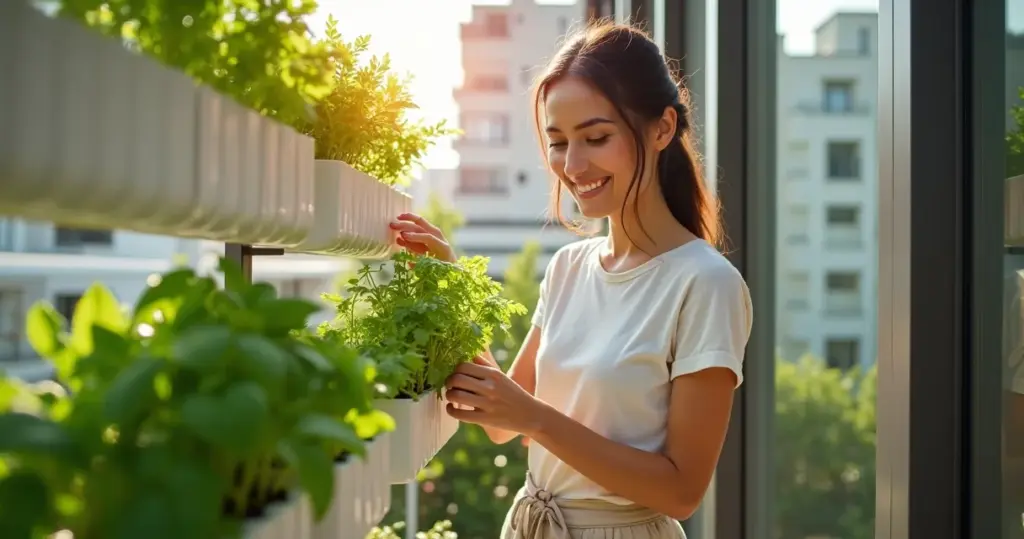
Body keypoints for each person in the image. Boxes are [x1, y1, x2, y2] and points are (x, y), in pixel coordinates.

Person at [389, 19, 752, 539]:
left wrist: (535, 420)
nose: (573, 164)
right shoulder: (568, 268)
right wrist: (448, 285)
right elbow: (498, 419)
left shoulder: (706, 284)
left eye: (596, 137)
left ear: (662, 129)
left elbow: (681, 491)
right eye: (558, 142)